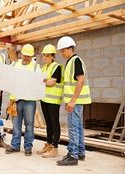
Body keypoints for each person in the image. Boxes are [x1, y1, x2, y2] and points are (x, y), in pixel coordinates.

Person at [56, 36, 91, 166]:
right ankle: (80, 152)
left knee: (73, 128)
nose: (61, 53)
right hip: (75, 101)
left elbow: (80, 80)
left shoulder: (75, 61)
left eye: (63, 50)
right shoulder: (71, 61)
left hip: (75, 101)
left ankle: (72, 155)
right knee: (78, 127)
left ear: (71, 48)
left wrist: (72, 101)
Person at [5, 44, 39, 156]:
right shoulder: (15, 64)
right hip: (16, 100)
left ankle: (28, 147)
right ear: (21, 54)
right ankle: (15, 146)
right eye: (25, 56)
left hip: (29, 101)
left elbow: (39, 83)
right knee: (16, 124)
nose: (26, 58)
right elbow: (8, 78)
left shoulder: (35, 67)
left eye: (29, 56)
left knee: (29, 124)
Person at [37, 44, 63, 158]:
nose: (46, 57)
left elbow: (52, 82)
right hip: (44, 99)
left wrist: (44, 81)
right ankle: (48, 144)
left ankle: (55, 148)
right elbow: (41, 81)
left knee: (54, 123)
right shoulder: (43, 68)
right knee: (48, 123)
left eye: (48, 55)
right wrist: (45, 81)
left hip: (53, 100)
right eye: (44, 55)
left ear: (53, 56)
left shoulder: (57, 67)